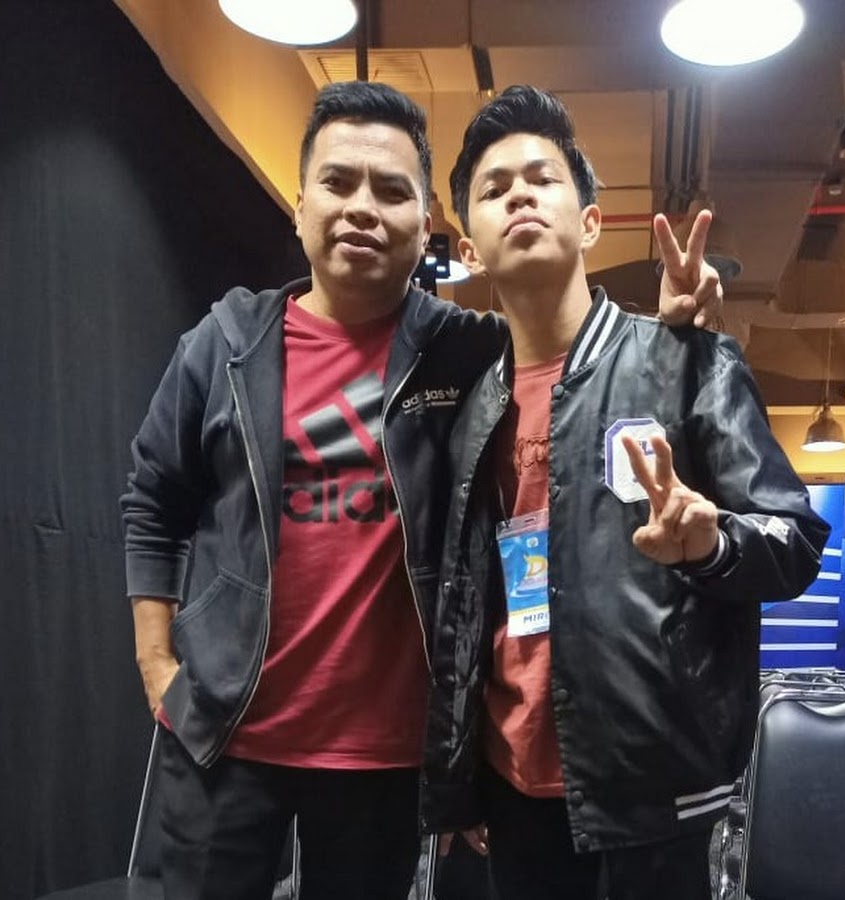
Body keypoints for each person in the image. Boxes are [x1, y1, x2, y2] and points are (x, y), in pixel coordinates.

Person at [121, 81, 723, 900]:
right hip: (225, 735)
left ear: (427, 224)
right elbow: (153, 502)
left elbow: (570, 345)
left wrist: (672, 334)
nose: (362, 208)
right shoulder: (224, 346)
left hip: (383, 756)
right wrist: (157, 665)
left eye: (392, 190)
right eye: (338, 183)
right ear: (299, 208)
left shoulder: (469, 350)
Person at [419, 85, 831, 900]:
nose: (519, 196)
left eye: (542, 178)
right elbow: (470, 602)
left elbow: (796, 544)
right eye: (494, 189)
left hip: (654, 789)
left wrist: (711, 544)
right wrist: (460, 777)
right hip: (512, 788)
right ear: (470, 245)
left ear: (590, 223)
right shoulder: (474, 410)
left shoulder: (684, 360)